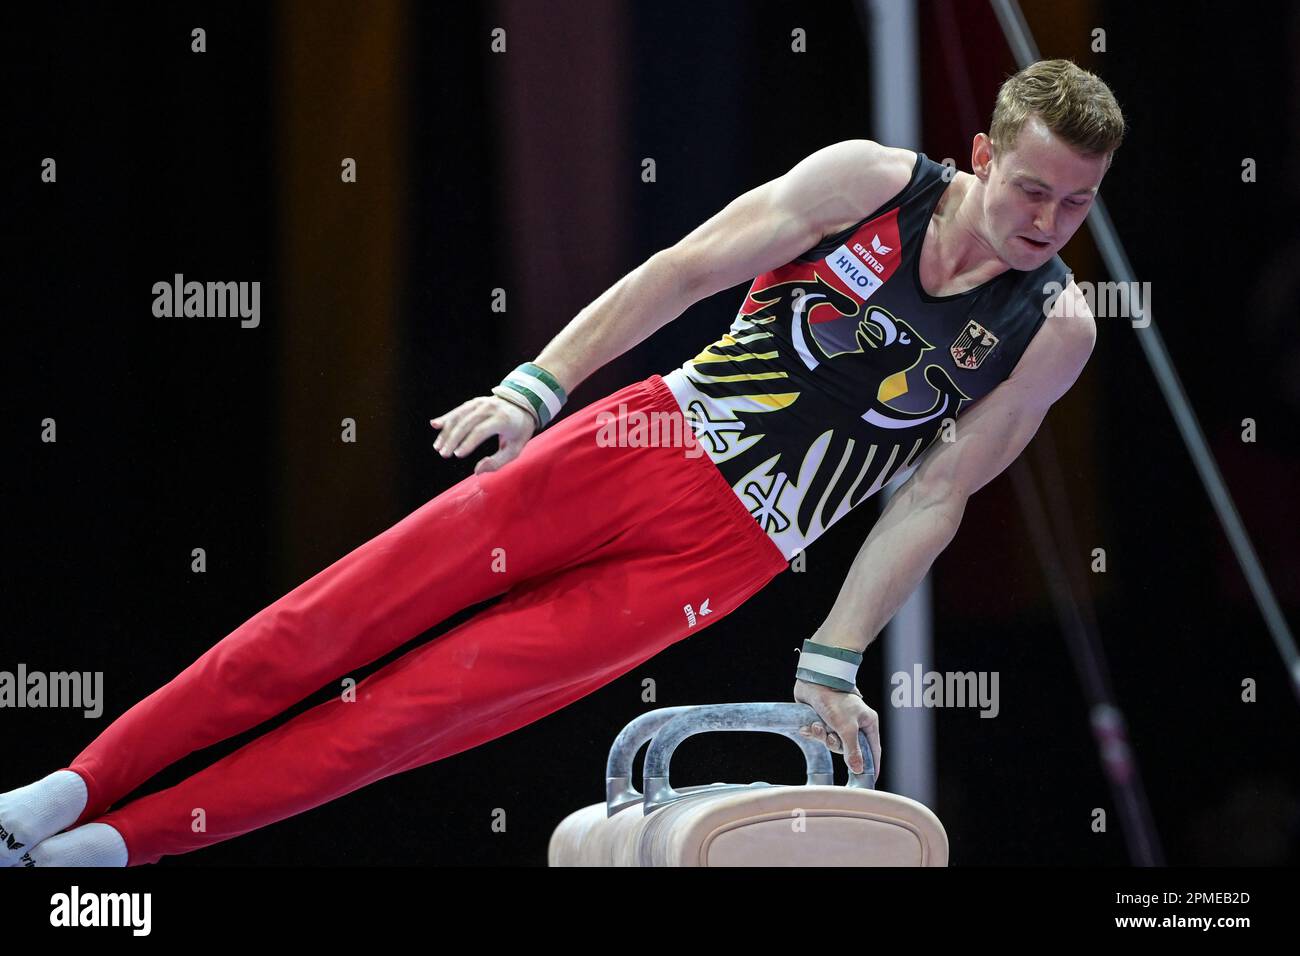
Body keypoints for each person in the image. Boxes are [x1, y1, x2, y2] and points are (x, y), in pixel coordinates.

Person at [1, 58, 1124, 866]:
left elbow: (934, 491)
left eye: (1077, 202)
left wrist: (835, 652)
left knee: (408, 716)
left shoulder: (1052, 328)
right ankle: (73, 782)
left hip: (724, 554)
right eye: (1032, 187)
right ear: (982, 153)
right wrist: (535, 384)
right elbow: (680, 271)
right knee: (331, 619)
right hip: (633, 444)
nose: (1048, 220)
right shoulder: (868, 182)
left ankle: (114, 845)